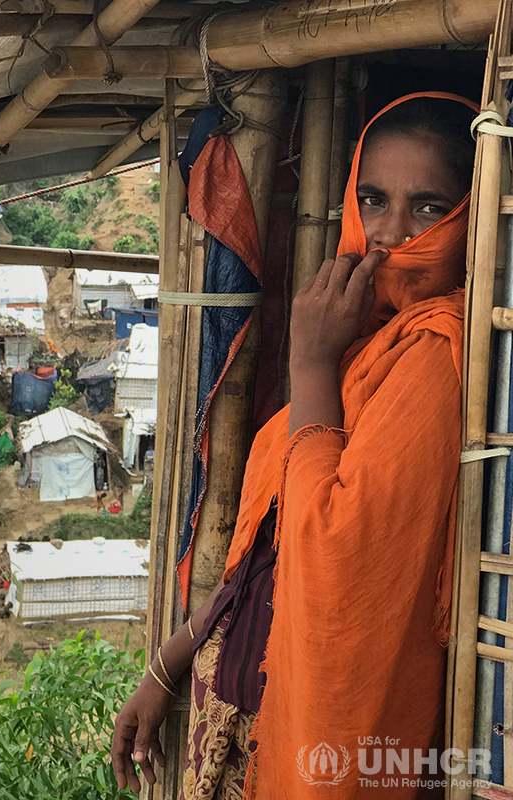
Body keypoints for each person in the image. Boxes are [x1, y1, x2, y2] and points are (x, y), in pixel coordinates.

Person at [111, 93, 475, 799]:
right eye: (372, 200)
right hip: (240, 724)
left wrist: (307, 365)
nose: (390, 234)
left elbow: (333, 546)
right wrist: (166, 665)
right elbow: (270, 553)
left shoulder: (435, 353)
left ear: (469, 217)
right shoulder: (363, 339)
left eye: (428, 207)